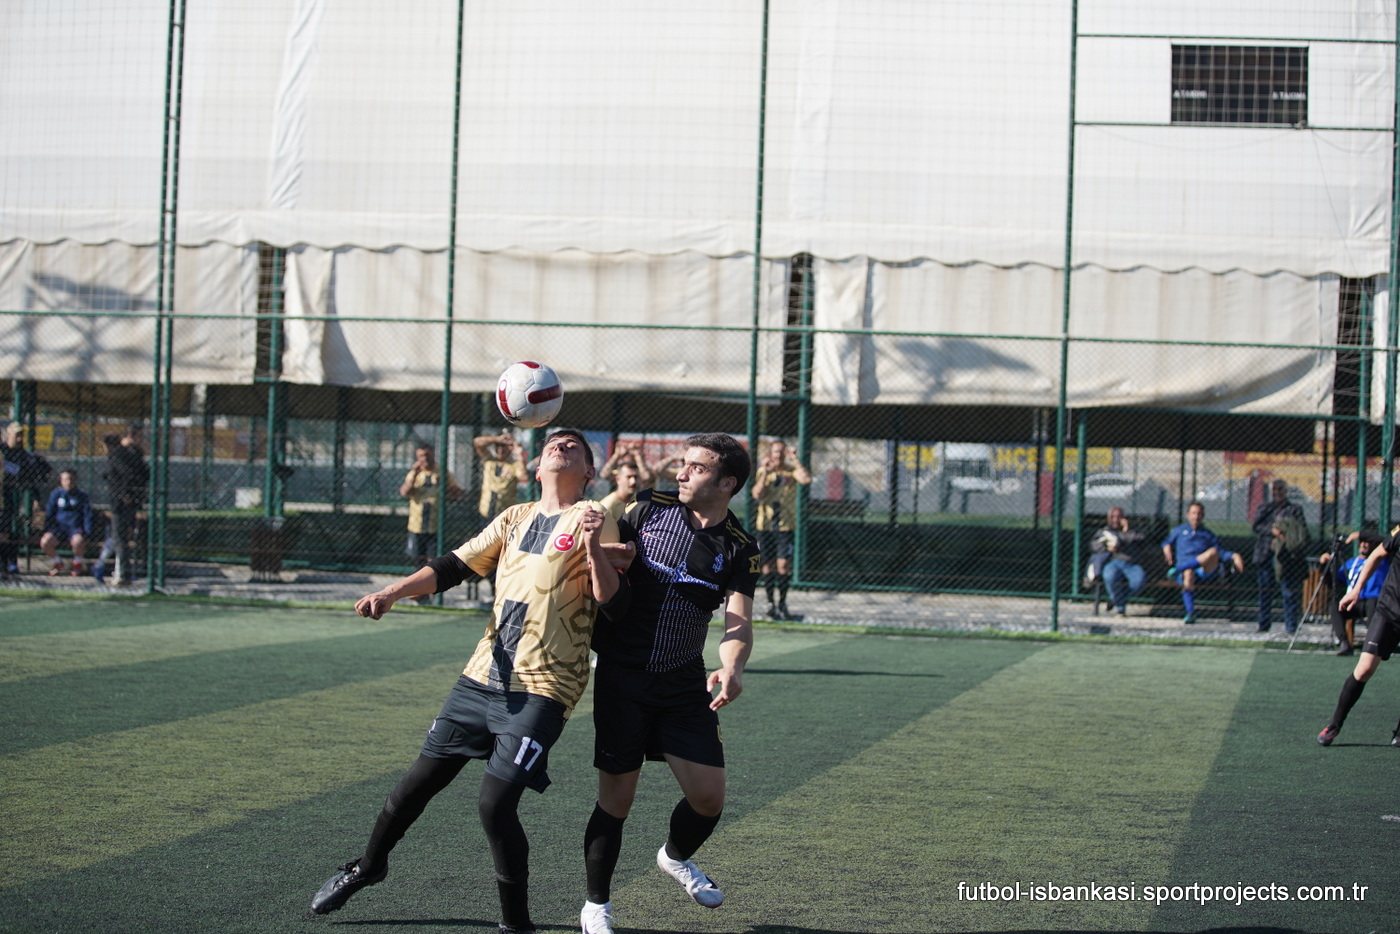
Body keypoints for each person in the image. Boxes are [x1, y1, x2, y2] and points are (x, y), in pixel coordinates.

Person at [309, 430, 626, 934]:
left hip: (544, 687)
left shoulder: (593, 514)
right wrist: (393, 592)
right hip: (481, 677)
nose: (561, 446)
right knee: (414, 787)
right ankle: (367, 867)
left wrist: (594, 547)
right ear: (535, 466)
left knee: (494, 805)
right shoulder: (514, 516)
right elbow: (454, 566)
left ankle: (516, 925)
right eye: (552, 443)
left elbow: (610, 598)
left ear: (590, 470)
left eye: (574, 445)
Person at [580, 432, 760, 934]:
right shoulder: (646, 509)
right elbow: (600, 565)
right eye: (684, 464)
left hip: (682, 682)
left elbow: (738, 620)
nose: (681, 473)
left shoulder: (740, 546)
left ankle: (675, 857)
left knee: (709, 798)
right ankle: (597, 906)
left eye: (697, 468)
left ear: (726, 483)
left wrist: (733, 667)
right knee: (617, 799)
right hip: (622, 676)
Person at [1317, 524, 1400, 747]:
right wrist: (1356, 590)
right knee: (1364, 669)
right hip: (1389, 610)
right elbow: (1377, 554)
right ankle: (1334, 724)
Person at [750, 439, 811, 619]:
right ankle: (770, 604)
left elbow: (806, 479)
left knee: (783, 565)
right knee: (767, 565)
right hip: (766, 526)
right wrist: (765, 473)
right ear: (771, 454)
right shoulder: (764, 471)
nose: (779, 456)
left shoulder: (791, 471)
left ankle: (782, 603)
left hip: (785, 525)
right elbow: (757, 494)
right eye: (776, 452)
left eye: (782, 452)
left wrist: (795, 459)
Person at [1161, 501, 1244, 624]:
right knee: (1188, 573)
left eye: (1199, 514)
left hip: (1203, 571)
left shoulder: (1207, 534)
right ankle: (1190, 613)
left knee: (1213, 551)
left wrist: (1234, 555)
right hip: (1185, 574)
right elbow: (1166, 542)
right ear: (1188, 515)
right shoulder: (1179, 531)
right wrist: (1166, 547)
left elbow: (1220, 552)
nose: (1196, 516)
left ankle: (1177, 570)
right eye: (1193, 513)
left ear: (1203, 516)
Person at [94, 424, 149, 586]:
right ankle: (119, 571)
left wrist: (128, 495)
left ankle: (123, 573)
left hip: (123, 501)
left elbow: (128, 475)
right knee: (119, 537)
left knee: (121, 538)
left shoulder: (124, 454)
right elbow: (113, 475)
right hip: (123, 501)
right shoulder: (125, 453)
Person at [1318, 531, 1388, 656]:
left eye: (1367, 543)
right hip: (1355, 602)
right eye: (1362, 542)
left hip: (1374, 601)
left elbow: (1386, 541)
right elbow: (1333, 582)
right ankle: (1345, 644)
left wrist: (1360, 535)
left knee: (1373, 604)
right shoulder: (1351, 563)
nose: (1364, 545)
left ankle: (1373, 644)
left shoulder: (1380, 559)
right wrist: (1324, 565)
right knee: (1335, 606)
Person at [1252, 478, 1308, 633]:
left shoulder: (1294, 509)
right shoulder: (1265, 508)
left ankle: (1291, 626)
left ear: (1286, 491)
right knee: (1265, 591)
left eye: (1280, 490)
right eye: (1274, 490)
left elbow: (1301, 530)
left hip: (1286, 557)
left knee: (1289, 591)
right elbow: (1256, 526)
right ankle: (1263, 624)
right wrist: (1272, 531)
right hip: (1266, 555)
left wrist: (1286, 534)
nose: (1277, 493)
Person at [400, 442, 462, 572]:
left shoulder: (442, 472)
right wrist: (414, 475)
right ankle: (420, 584)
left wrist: (444, 483)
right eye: (421, 456)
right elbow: (405, 492)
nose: (425, 459)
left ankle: (431, 583)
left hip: (435, 525)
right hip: (417, 524)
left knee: (433, 562)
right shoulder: (414, 473)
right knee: (418, 561)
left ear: (433, 454)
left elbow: (457, 494)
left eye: (427, 455)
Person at [2, 420, 52, 575]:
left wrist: (36, 498)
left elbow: (33, 477)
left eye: (21, 435)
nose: (19, 439)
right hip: (1, 494)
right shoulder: (2, 451)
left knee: (11, 530)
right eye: (16, 435)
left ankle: (11, 562)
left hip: (13, 498)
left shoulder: (24, 456)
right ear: (8, 435)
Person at [1090, 506, 1149, 616]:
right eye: (1113, 517)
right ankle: (1120, 608)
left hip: (1131, 564)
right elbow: (1094, 545)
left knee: (1139, 583)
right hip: (1113, 562)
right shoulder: (1105, 531)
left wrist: (1126, 530)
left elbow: (1140, 538)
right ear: (1109, 518)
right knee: (1110, 577)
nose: (1116, 520)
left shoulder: (1132, 530)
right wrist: (1107, 547)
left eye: (1119, 517)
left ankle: (1116, 599)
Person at [40, 469, 94, 577]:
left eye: (71, 479)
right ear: (61, 481)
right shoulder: (56, 494)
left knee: (78, 542)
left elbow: (88, 514)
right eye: (65, 480)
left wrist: (88, 531)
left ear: (75, 480)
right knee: (45, 542)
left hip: (75, 528)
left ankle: (77, 563)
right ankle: (57, 562)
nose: (68, 482)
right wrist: (48, 528)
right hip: (59, 528)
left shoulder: (82, 495)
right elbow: (50, 512)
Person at [597, 442, 652, 523]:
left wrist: (638, 456)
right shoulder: (608, 506)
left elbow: (647, 477)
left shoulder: (638, 503)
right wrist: (617, 455)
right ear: (618, 479)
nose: (633, 482)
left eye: (636, 477)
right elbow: (604, 474)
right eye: (628, 477)